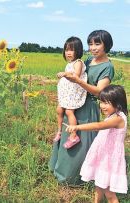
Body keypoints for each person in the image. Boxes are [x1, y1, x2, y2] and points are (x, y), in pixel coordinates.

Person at [49, 30, 115, 185]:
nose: (93, 47)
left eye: (97, 43)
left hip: (88, 106)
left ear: (107, 45)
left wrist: (77, 82)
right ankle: (60, 170)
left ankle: (75, 178)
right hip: (74, 101)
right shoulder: (88, 60)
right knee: (68, 135)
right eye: (90, 44)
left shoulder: (107, 67)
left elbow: (99, 91)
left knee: (81, 144)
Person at [65, 84, 128, 202]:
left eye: (107, 103)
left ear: (118, 103)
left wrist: (76, 127)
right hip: (103, 156)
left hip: (109, 159)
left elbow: (99, 126)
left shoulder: (118, 118)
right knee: (98, 187)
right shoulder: (112, 115)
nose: (103, 106)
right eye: (101, 102)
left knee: (109, 194)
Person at [54, 37, 87, 149]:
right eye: (66, 50)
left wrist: (65, 74)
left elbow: (76, 75)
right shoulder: (69, 63)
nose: (68, 52)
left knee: (69, 111)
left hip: (74, 93)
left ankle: (73, 136)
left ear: (78, 51)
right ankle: (59, 131)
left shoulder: (78, 62)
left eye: (71, 50)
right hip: (67, 93)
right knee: (59, 109)